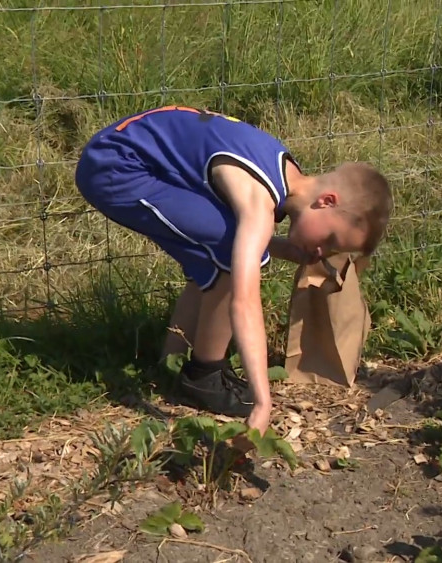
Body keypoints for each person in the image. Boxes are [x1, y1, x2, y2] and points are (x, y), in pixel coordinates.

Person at [74, 105, 393, 440]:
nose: (322, 253)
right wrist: (262, 401)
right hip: (114, 167)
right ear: (326, 201)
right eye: (329, 240)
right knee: (230, 253)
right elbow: (244, 301)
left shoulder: (284, 172)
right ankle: (204, 375)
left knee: (223, 247)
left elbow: (252, 235)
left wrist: (282, 248)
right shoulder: (259, 201)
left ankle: (171, 362)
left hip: (128, 149)